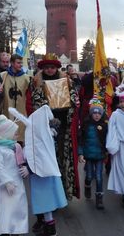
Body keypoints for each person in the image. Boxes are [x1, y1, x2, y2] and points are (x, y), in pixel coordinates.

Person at [9, 106, 67, 236]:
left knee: (45, 206)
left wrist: (29, 168)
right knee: (44, 205)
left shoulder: (42, 140)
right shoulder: (44, 137)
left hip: (42, 179)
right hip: (43, 177)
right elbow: (31, 153)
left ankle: (50, 231)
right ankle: (45, 226)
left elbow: (39, 159)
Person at [31, 53, 80, 200]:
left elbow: (73, 98)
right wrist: (47, 115)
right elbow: (36, 103)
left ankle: (64, 192)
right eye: (47, 67)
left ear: (56, 68)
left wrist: (74, 102)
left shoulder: (66, 81)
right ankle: (51, 194)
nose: (50, 70)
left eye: (52, 67)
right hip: (47, 127)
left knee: (64, 159)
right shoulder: (37, 83)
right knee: (50, 159)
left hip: (64, 125)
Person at [77, 98, 108, 209]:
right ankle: (87, 186)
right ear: (91, 114)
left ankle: (99, 198)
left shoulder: (105, 126)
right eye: (94, 113)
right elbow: (81, 140)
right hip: (88, 156)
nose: (96, 115)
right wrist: (80, 154)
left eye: (99, 113)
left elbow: (107, 140)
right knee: (89, 176)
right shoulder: (86, 125)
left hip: (99, 156)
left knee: (99, 177)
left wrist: (108, 150)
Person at [0, 54, 31, 141]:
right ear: (12, 63)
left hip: (22, 112)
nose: (20, 65)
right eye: (18, 63)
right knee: (8, 137)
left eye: (21, 63)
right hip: (7, 112)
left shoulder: (27, 78)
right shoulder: (2, 77)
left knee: (21, 137)